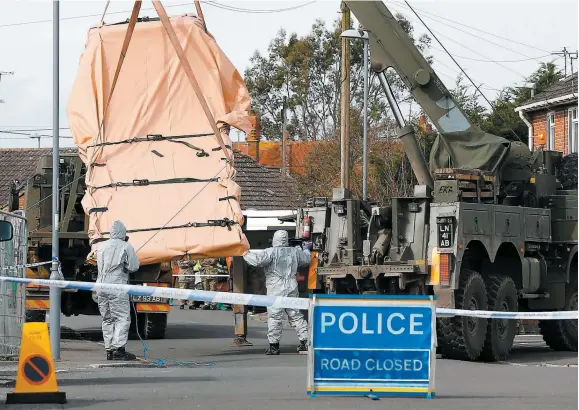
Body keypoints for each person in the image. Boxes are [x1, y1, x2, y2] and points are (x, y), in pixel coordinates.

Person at [243, 230, 311, 355]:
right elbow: (306, 260)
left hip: (275, 288)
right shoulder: (295, 251)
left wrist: (244, 252)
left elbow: (256, 261)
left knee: (274, 317)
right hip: (291, 286)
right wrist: (305, 249)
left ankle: (274, 346)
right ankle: (306, 343)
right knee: (296, 315)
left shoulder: (270, 252)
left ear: (274, 239)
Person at [96, 220, 140, 361]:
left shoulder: (101, 247)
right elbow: (133, 267)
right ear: (123, 233)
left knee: (107, 318)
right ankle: (119, 350)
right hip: (117, 286)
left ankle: (109, 350)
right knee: (121, 318)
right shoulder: (126, 246)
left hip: (100, 286)